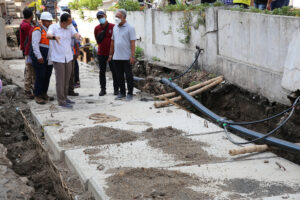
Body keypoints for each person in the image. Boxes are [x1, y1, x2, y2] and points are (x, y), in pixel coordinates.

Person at [46, 12, 82, 108]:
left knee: (67, 79)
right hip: (58, 58)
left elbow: (75, 34)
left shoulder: (69, 27)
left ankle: (65, 97)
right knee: (60, 80)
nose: (70, 24)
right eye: (69, 22)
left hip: (68, 57)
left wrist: (78, 36)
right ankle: (61, 100)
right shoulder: (53, 27)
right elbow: (47, 35)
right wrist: (54, 37)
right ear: (63, 22)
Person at [108, 9, 136, 101]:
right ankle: (122, 92)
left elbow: (132, 43)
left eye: (118, 17)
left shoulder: (130, 28)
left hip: (126, 57)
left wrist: (132, 56)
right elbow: (112, 42)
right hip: (117, 56)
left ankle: (130, 93)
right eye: (116, 16)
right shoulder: (115, 27)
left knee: (128, 76)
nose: (116, 18)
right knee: (119, 75)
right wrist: (110, 54)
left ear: (124, 18)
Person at [29, 12, 53, 105]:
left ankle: (44, 93)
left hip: (48, 57)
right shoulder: (38, 30)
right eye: (48, 21)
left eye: (50, 21)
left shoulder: (50, 30)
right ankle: (37, 95)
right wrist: (39, 56)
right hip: (40, 57)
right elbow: (35, 45)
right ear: (43, 21)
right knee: (40, 76)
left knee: (47, 75)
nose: (50, 22)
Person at [94, 10, 118, 96]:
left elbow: (116, 39)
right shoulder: (97, 28)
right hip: (101, 53)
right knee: (102, 71)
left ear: (105, 16)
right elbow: (97, 40)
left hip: (112, 53)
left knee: (114, 71)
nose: (101, 18)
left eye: (102, 16)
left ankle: (116, 89)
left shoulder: (113, 26)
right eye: (99, 17)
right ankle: (103, 89)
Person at [63, 8, 80, 96]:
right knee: (63, 74)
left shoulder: (72, 27)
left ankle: (70, 90)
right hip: (62, 55)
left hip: (71, 53)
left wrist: (77, 51)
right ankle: (64, 91)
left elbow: (76, 39)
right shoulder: (58, 28)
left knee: (71, 73)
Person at [20, 8, 35, 99]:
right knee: (29, 70)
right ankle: (27, 89)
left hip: (27, 50)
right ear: (31, 16)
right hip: (28, 50)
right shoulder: (27, 26)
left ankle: (29, 87)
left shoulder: (25, 24)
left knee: (29, 69)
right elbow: (33, 34)